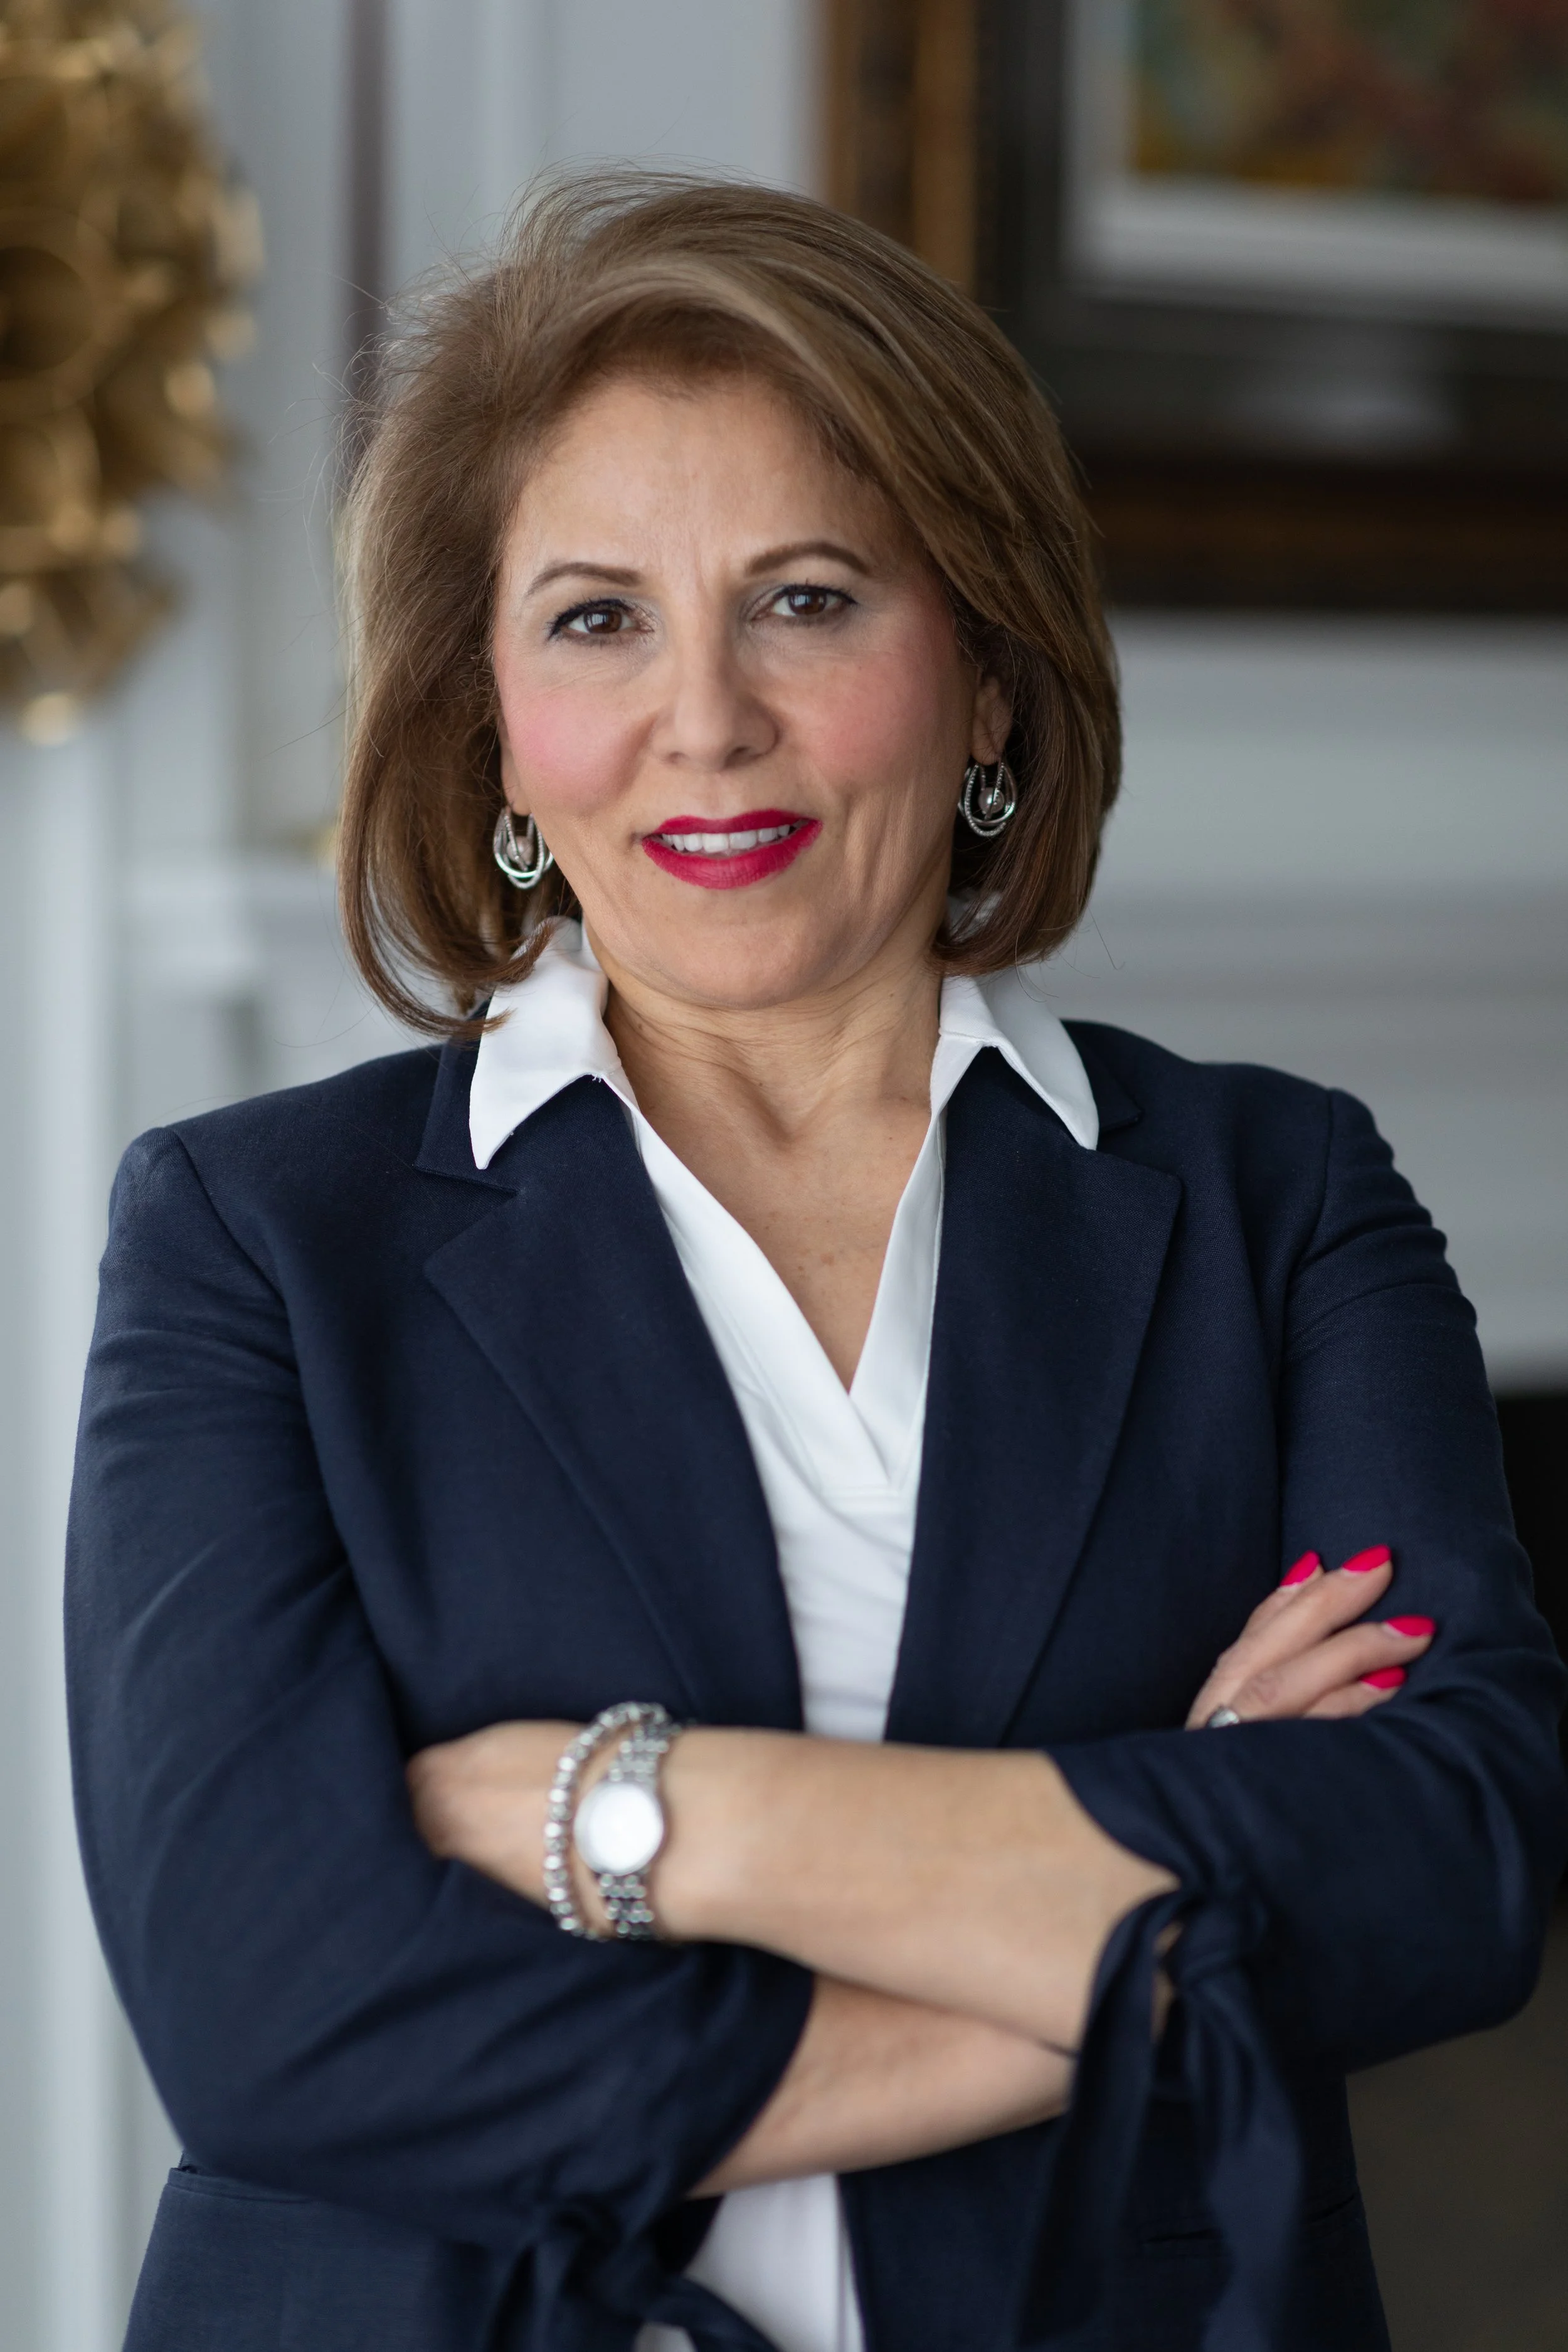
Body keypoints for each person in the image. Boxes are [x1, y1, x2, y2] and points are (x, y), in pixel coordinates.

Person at [68, 176, 1565, 2352]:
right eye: (596, 618)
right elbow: (280, 2017)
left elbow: (1448, 1865)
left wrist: (633, 1815)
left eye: (804, 597)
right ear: (490, 724)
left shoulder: (1274, 1195)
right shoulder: (253, 1238)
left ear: (980, 680)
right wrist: (1168, 1936)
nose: (707, 719)